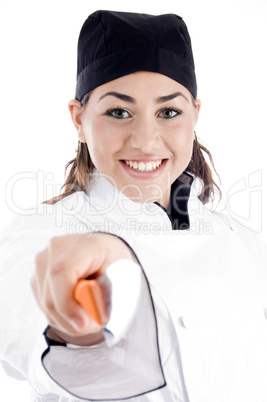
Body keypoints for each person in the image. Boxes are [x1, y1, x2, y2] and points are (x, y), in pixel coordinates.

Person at [1, 9, 267, 402]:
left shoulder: (246, 245)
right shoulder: (42, 235)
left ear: (195, 114)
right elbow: (34, 341)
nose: (145, 140)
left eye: (169, 112)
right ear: (79, 118)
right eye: (119, 112)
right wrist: (102, 273)